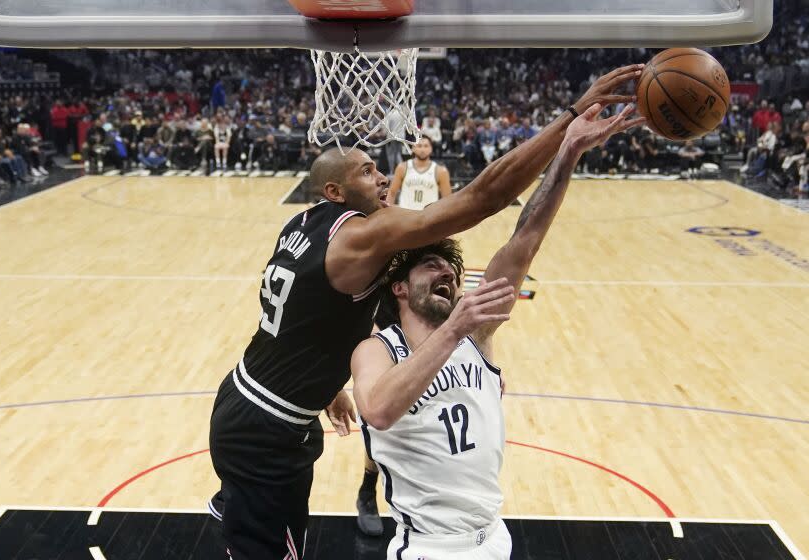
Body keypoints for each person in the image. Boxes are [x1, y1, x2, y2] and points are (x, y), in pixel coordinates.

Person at [208, 65, 644, 560]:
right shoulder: (365, 248)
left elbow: (298, 316)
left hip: (258, 404)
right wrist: (567, 120)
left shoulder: (303, 223)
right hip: (270, 425)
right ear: (335, 193)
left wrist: (326, 384)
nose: (381, 178)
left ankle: (240, 507)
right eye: (367, 172)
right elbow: (487, 197)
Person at [350, 103, 644, 560]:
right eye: (432, 265)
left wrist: (567, 153)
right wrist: (453, 332)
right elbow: (378, 411)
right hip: (429, 548)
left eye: (450, 267)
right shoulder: (378, 350)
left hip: (494, 538)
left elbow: (525, 239)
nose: (447, 272)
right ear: (400, 288)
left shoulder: (476, 332)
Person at [386, 136, 452, 211]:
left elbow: (447, 200)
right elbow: (392, 193)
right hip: (406, 217)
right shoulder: (402, 167)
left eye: (426, 146)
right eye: (419, 146)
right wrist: (386, 213)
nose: (422, 149)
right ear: (413, 148)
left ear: (431, 149)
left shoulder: (441, 171)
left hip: (429, 218)